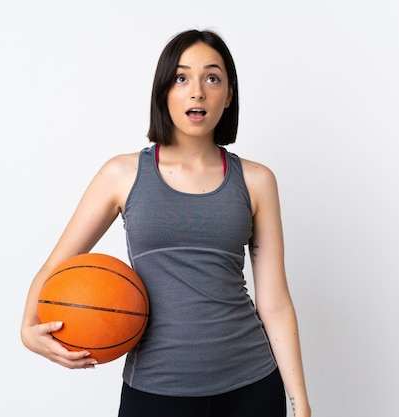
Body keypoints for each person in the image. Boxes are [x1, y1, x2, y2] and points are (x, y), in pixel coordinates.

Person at [21, 29, 311, 417]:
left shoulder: (257, 181)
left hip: (252, 385)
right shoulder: (121, 174)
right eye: (181, 77)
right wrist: (28, 328)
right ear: (163, 92)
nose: (197, 91)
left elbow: (274, 303)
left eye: (212, 78)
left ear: (228, 95)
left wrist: (300, 402)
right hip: (155, 390)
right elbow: (56, 266)